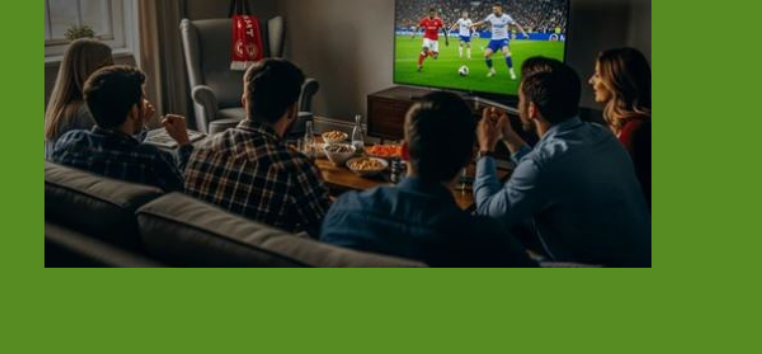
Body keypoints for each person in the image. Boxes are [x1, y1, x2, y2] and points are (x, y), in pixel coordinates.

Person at [320, 91, 536, 267]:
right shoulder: (488, 240)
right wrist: (487, 151)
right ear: (469, 159)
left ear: (403, 151)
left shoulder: (342, 212)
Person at [474, 60, 651, 267]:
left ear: (532, 110)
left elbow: (487, 216)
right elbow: (546, 171)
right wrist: (510, 138)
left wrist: (486, 150)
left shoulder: (543, 163)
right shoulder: (599, 133)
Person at [184, 59, 330, 237]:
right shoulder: (295, 169)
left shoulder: (200, 150)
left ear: (245, 102)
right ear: (292, 111)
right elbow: (330, 232)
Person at [51, 66, 191, 191]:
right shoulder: (153, 159)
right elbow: (185, 195)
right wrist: (184, 143)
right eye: (142, 99)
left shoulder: (68, 142)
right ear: (134, 110)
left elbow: (120, 147)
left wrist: (139, 124)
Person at [590, 47, 652, 207]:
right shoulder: (631, 127)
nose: (591, 81)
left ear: (615, 81)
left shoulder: (635, 132)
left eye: (597, 75)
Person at [44, 39, 114, 158]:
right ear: (95, 71)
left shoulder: (61, 110)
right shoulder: (86, 113)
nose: (114, 73)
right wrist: (139, 122)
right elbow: (117, 154)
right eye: (110, 67)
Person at [472, 2, 530, 80]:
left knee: (505, 51)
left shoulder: (506, 17)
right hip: (494, 40)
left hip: (503, 39)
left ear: (500, 9)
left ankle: (511, 72)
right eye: (493, 9)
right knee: (486, 55)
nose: (493, 11)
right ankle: (492, 71)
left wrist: (524, 33)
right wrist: (472, 25)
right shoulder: (491, 16)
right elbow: (481, 22)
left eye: (495, 9)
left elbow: (516, 24)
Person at [411, 7, 448, 72]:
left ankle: (424, 59)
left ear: (435, 14)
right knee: (425, 49)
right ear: (429, 14)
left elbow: (444, 29)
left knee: (434, 56)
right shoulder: (425, 20)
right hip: (427, 38)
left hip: (435, 40)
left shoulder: (438, 20)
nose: (432, 15)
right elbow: (418, 26)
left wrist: (446, 39)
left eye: (433, 14)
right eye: (431, 14)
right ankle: (419, 65)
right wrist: (414, 34)